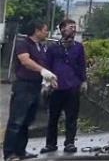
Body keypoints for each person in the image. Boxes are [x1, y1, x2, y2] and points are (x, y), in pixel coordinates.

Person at [3, 20, 57, 161]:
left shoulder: (40, 47)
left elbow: (43, 66)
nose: (47, 33)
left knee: (27, 120)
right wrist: (42, 70)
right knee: (16, 121)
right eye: (45, 30)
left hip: (35, 86)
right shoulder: (24, 44)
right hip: (23, 86)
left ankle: (21, 150)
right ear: (37, 31)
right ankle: (9, 153)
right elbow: (25, 61)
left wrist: (49, 78)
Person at [41, 19, 87, 154]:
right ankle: (50, 144)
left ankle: (70, 143)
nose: (73, 29)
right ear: (62, 30)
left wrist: (83, 81)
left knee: (71, 116)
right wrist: (46, 84)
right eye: (70, 27)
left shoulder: (78, 47)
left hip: (72, 86)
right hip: (56, 87)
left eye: (74, 27)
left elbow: (82, 65)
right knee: (53, 117)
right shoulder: (53, 48)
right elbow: (46, 67)